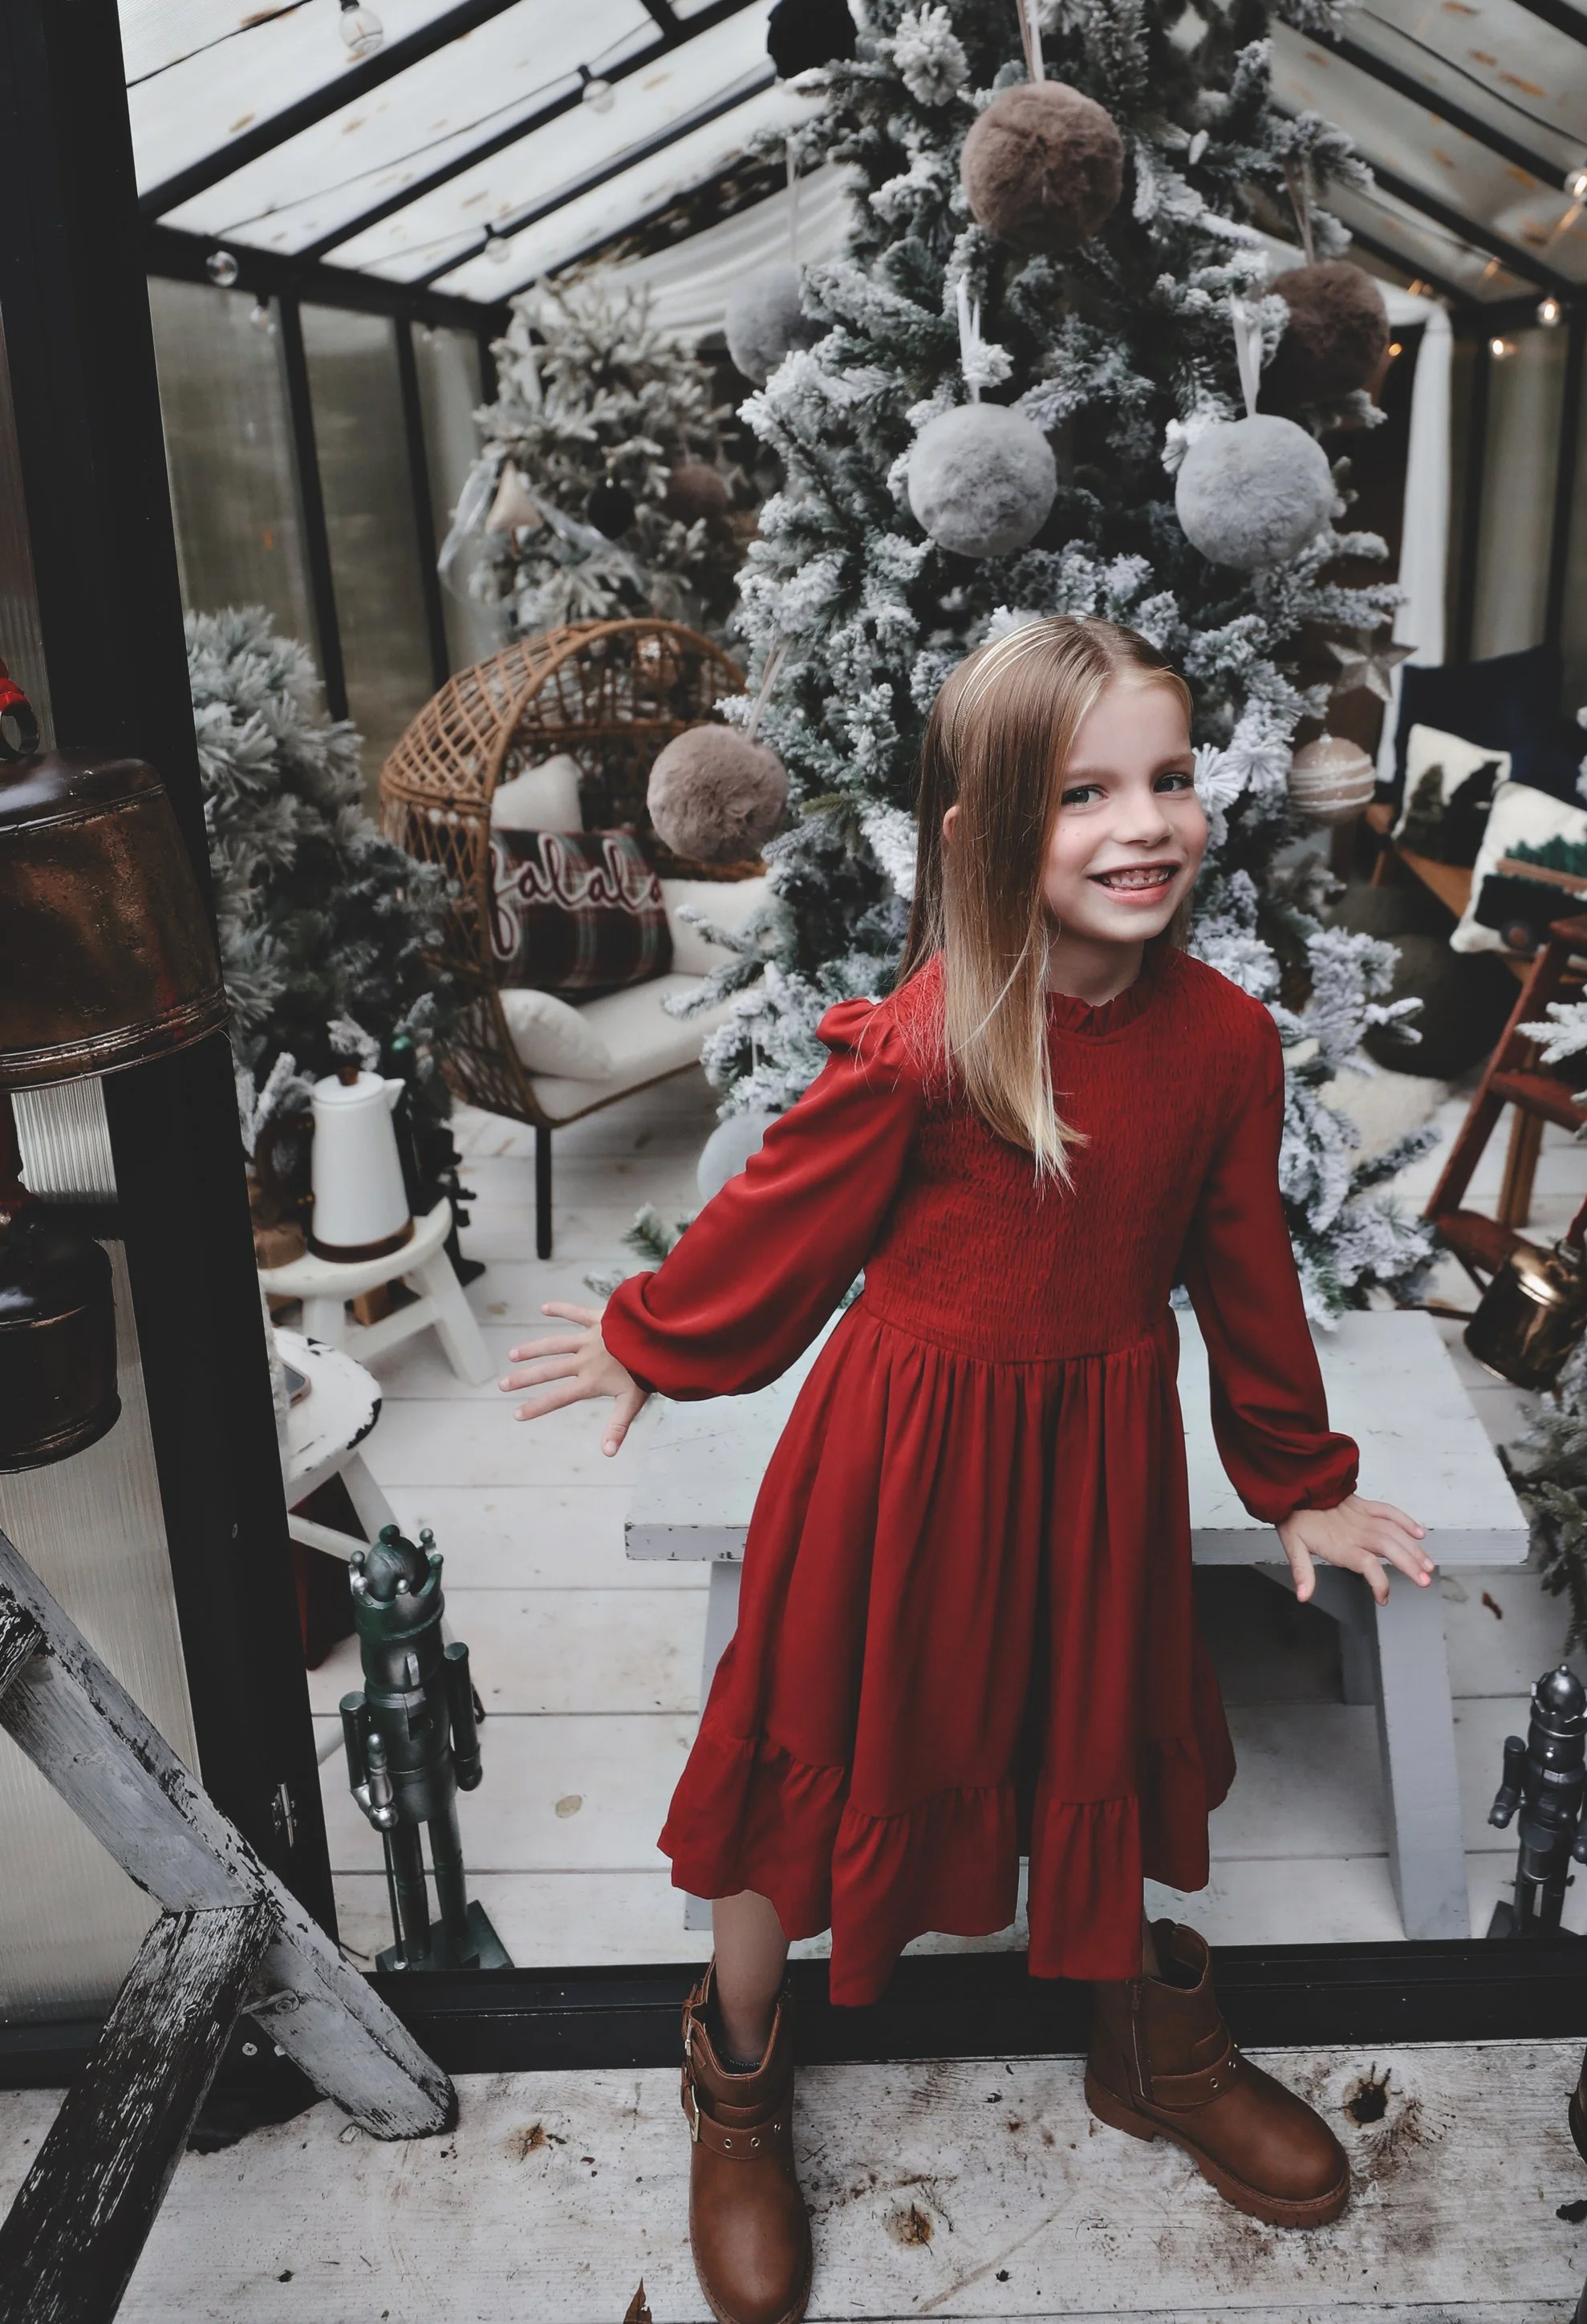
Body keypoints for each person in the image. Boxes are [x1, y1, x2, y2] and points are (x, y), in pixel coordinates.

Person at [501, 616, 1433, 2324]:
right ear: (984, 833)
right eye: (1083, 793)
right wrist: (653, 1334)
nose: (1141, 823)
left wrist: (1296, 1476)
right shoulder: (933, 1037)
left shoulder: (1222, 1043)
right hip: (897, 1473)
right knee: (809, 1757)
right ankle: (737, 2077)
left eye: (1166, 779)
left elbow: (1247, 1274)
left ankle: (1145, 2044)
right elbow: (776, 1223)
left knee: (1106, 1721)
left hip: (1096, 1472)